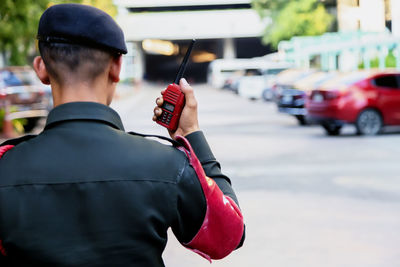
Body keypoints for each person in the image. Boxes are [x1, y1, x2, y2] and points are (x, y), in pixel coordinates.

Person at [0, 3, 244, 266]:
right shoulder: (167, 164)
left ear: (41, 68)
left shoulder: (5, 167)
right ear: (117, 67)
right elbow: (227, 235)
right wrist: (191, 134)